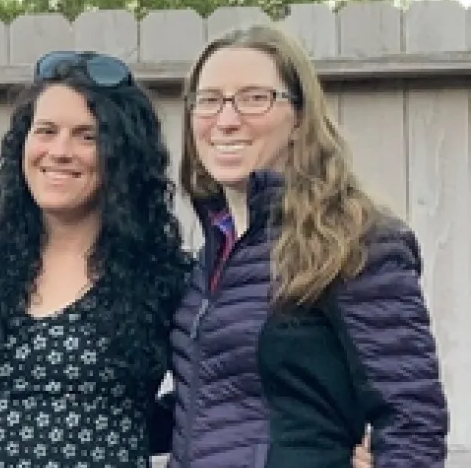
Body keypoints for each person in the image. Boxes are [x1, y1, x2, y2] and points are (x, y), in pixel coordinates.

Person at [166, 24, 448, 467]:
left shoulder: (354, 240)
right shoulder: (214, 253)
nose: (226, 118)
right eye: (209, 99)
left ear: (299, 119)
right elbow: (213, 401)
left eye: (254, 98)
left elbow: (413, 417)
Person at [0, 51, 190, 467]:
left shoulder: (165, 277)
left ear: (123, 155)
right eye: (46, 131)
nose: (59, 151)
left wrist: (112, 431)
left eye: (86, 136)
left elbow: (211, 398)